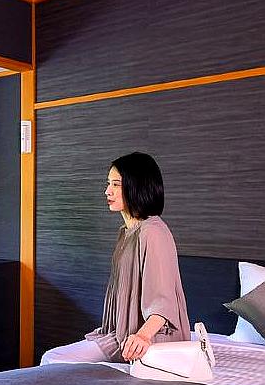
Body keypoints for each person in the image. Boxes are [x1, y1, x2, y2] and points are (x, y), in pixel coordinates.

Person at [41, 152, 190, 365]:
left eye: (116, 184)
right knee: (55, 360)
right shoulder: (127, 232)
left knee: (54, 359)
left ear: (137, 186)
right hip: (120, 333)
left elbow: (163, 301)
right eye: (108, 183)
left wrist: (143, 336)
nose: (107, 191)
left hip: (151, 338)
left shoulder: (153, 232)